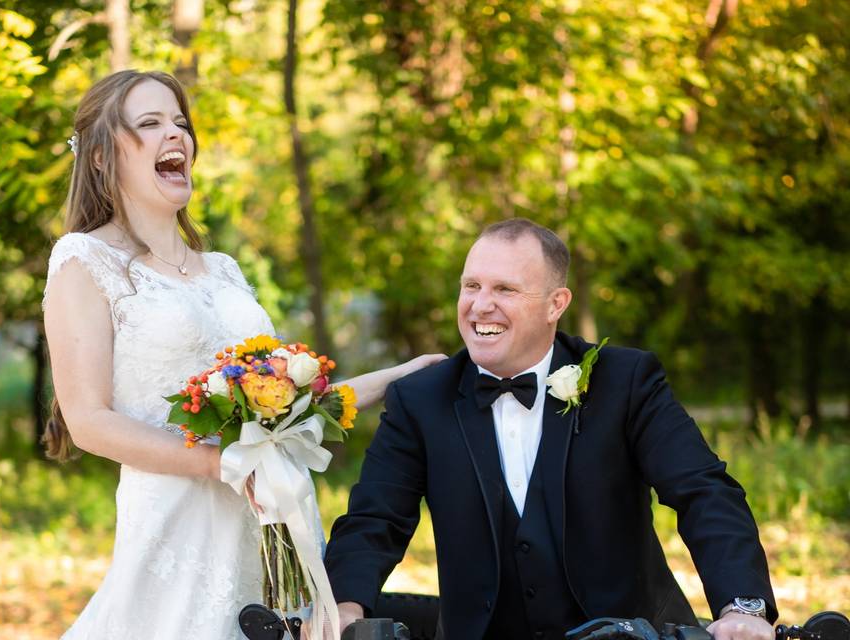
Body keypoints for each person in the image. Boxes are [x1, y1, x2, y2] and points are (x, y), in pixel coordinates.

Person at [41, 69, 443, 640]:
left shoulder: (222, 271)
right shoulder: (85, 261)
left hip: (276, 524)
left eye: (180, 123)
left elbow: (289, 409)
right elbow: (88, 421)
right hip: (179, 525)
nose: (175, 135)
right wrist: (222, 464)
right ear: (103, 155)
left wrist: (400, 376)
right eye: (150, 124)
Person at [324, 218, 777, 640]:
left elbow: (703, 491)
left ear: (556, 304)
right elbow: (375, 518)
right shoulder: (421, 398)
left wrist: (743, 608)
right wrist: (345, 605)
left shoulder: (625, 380)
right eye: (471, 285)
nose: (481, 305)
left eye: (505, 289)